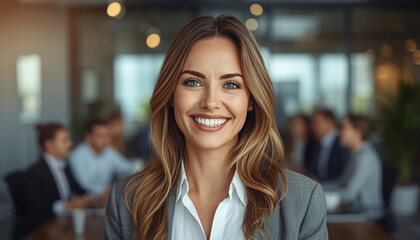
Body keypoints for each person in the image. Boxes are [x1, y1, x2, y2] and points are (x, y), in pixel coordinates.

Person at [105, 15, 327, 240]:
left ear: (251, 99)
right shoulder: (127, 200)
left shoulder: (303, 200)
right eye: (193, 82)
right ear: (171, 94)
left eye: (231, 84)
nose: (211, 102)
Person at [25, 123, 91, 232]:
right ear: (49, 145)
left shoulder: (65, 165)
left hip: (64, 224)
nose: (70, 143)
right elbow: (35, 208)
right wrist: (66, 205)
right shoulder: (35, 172)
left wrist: (93, 198)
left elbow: (79, 190)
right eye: (64, 140)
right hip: (46, 229)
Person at [323, 115, 384, 219]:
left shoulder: (366, 157)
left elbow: (349, 194)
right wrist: (317, 187)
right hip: (354, 210)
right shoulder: (355, 154)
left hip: (368, 214)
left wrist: (320, 194)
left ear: (357, 131)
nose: (339, 132)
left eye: (343, 128)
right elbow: (340, 183)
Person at [69, 119, 132, 202]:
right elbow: (85, 186)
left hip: (104, 199)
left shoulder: (108, 151)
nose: (105, 140)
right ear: (88, 137)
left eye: (107, 136)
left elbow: (128, 167)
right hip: (83, 202)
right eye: (100, 136)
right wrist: (108, 190)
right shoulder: (77, 155)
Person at [304, 109, 350, 181]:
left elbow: (344, 176)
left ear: (330, 123)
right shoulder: (317, 143)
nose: (313, 127)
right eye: (313, 123)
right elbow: (311, 170)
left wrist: (320, 183)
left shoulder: (342, 143)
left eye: (317, 122)